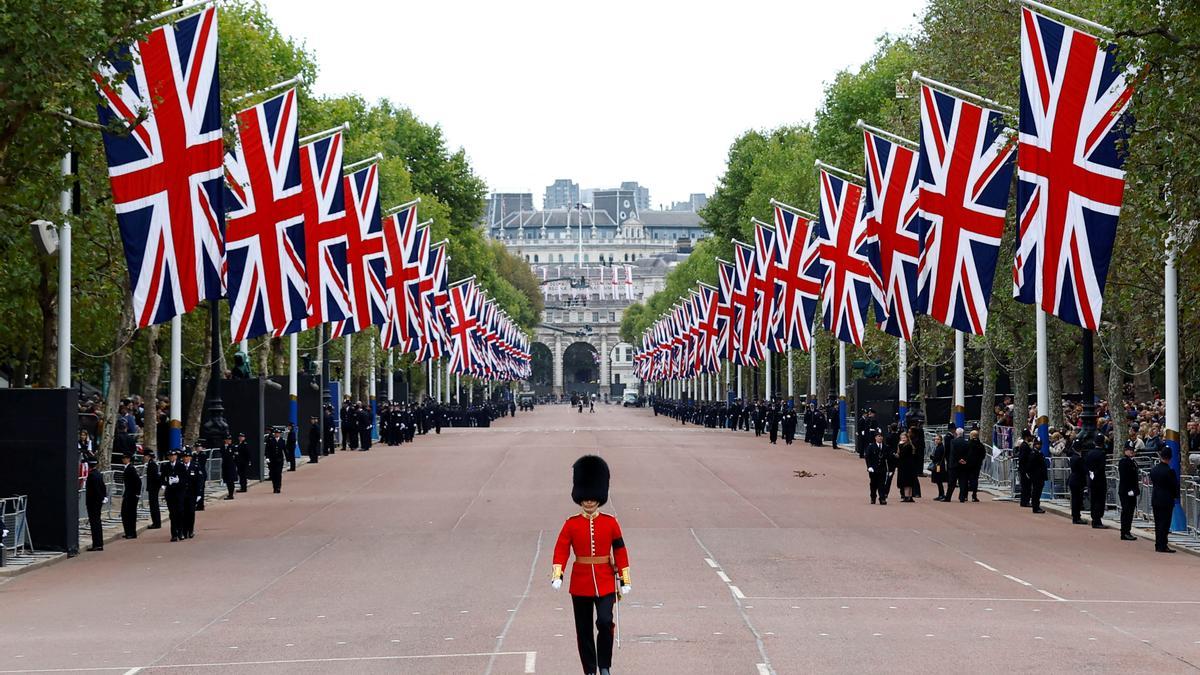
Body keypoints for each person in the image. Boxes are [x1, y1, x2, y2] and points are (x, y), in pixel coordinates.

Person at [552, 455, 630, 675]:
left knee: (605, 622)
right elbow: (561, 549)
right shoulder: (571, 524)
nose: (588, 501)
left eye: (592, 496)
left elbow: (620, 549)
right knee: (584, 630)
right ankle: (590, 669)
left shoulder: (610, 522)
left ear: (599, 495)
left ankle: (604, 665)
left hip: (605, 581)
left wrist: (625, 579)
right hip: (580, 583)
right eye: (585, 497)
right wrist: (558, 573)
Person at [1149, 448, 1179, 553]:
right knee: (1165, 524)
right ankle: (1163, 545)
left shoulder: (1154, 469)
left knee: (1158, 523)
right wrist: (1175, 496)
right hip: (1166, 500)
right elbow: (1174, 486)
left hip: (1156, 498)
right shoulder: (1170, 471)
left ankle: (1158, 544)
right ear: (1169, 458)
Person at [1117, 443, 1140, 541]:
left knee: (1130, 512)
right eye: (1129, 450)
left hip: (1132, 491)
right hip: (1126, 491)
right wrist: (1129, 490)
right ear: (1125, 451)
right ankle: (1124, 532)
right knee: (1126, 512)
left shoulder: (1132, 462)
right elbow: (1125, 478)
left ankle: (1127, 530)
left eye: (1132, 450)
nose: (1131, 451)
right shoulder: (1124, 462)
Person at [163, 447, 186, 542]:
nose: (172, 457)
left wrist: (178, 480)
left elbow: (185, 478)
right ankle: (174, 534)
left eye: (173, 456)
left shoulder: (181, 466)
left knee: (180, 512)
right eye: (170, 456)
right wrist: (164, 484)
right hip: (170, 493)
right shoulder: (166, 466)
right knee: (172, 514)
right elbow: (162, 477)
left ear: (176, 456)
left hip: (179, 492)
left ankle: (180, 532)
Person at [84, 457, 107, 551]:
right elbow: (103, 487)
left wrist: (101, 497)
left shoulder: (92, 476)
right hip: (98, 502)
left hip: (93, 502)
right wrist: (103, 497)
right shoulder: (98, 474)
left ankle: (97, 544)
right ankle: (99, 543)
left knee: (94, 524)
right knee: (97, 522)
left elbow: (95, 490)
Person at [1085, 442, 1109, 529]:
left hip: (1091, 480)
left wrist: (1091, 474)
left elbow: (1086, 465)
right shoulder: (1102, 454)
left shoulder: (1090, 453)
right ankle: (1097, 520)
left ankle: (1094, 519)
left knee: (1093, 500)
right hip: (1100, 480)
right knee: (1100, 500)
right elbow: (1102, 467)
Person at [865, 432, 891, 505]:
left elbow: (889, 458)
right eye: (878, 436)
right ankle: (873, 497)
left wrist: (890, 469)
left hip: (882, 469)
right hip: (873, 469)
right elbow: (867, 457)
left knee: (882, 484)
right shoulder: (871, 447)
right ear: (875, 438)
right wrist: (869, 466)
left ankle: (882, 498)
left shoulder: (886, 447)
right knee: (873, 484)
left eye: (881, 436)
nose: (880, 438)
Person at [181, 447, 201, 539]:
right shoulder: (180, 467)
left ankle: (190, 530)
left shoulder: (195, 467)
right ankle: (184, 531)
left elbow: (198, 481)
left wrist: (199, 494)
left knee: (191, 512)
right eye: (184, 457)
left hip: (192, 494)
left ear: (190, 458)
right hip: (182, 494)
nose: (185, 458)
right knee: (183, 513)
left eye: (187, 457)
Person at [120, 452, 141, 539]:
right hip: (128, 494)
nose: (124, 460)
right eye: (123, 458)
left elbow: (138, 481)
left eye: (126, 458)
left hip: (131, 495)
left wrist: (137, 494)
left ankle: (131, 532)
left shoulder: (131, 468)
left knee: (130, 514)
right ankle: (128, 531)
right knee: (125, 513)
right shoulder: (127, 468)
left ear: (129, 459)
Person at [896, 432, 920, 502]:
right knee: (908, 482)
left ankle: (907, 496)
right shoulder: (907, 445)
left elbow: (903, 455)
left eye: (904, 438)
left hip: (906, 466)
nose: (903, 439)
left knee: (907, 482)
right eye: (902, 438)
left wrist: (900, 446)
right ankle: (909, 496)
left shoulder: (908, 446)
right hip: (906, 465)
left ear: (907, 438)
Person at [1067, 446, 1088, 525]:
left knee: (1075, 499)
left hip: (1073, 480)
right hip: (1078, 481)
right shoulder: (1079, 458)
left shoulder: (1073, 457)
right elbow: (1083, 469)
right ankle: (1077, 517)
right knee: (1077, 500)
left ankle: (1075, 516)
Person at [143, 448, 162, 529]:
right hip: (153, 487)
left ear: (148, 456)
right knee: (153, 505)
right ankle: (156, 522)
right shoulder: (151, 464)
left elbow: (155, 477)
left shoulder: (152, 464)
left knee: (154, 506)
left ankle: (156, 523)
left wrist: (155, 487)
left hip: (153, 488)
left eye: (145, 456)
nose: (144, 457)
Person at [966, 430, 987, 502]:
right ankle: (974, 495)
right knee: (975, 479)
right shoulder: (980, 445)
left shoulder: (968, 444)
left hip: (968, 464)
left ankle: (965, 495)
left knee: (967, 479)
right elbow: (983, 455)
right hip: (977, 465)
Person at [266, 427, 285, 494]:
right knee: (273, 474)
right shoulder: (271, 440)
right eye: (276, 433)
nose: (277, 434)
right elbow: (267, 450)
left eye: (278, 433)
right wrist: (267, 457)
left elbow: (285, 450)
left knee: (278, 473)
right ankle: (274, 487)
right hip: (272, 460)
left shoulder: (282, 441)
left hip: (279, 460)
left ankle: (278, 487)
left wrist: (288, 459)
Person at [219, 433, 238, 500]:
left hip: (231, 465)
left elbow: (235, 456)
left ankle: (231, 494)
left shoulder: (233, 447)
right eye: (227, 439)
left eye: (229, 439)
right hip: (225, 465)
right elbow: (222, 453)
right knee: (227, 480)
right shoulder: (222, 446)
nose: (228, 441)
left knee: (231, 480)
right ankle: (229, 493)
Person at [929, 435, 948, 500]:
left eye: (938, 439)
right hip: (939, 465)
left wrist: (932, 457)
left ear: (941, 440)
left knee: (939, 481)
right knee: (938, 481)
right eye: (935, 439)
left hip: (938, 465)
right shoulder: (938, 447)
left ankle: (941, 494)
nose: (936, 441)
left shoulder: (940, 447)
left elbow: (937, 457)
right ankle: (940, 494)